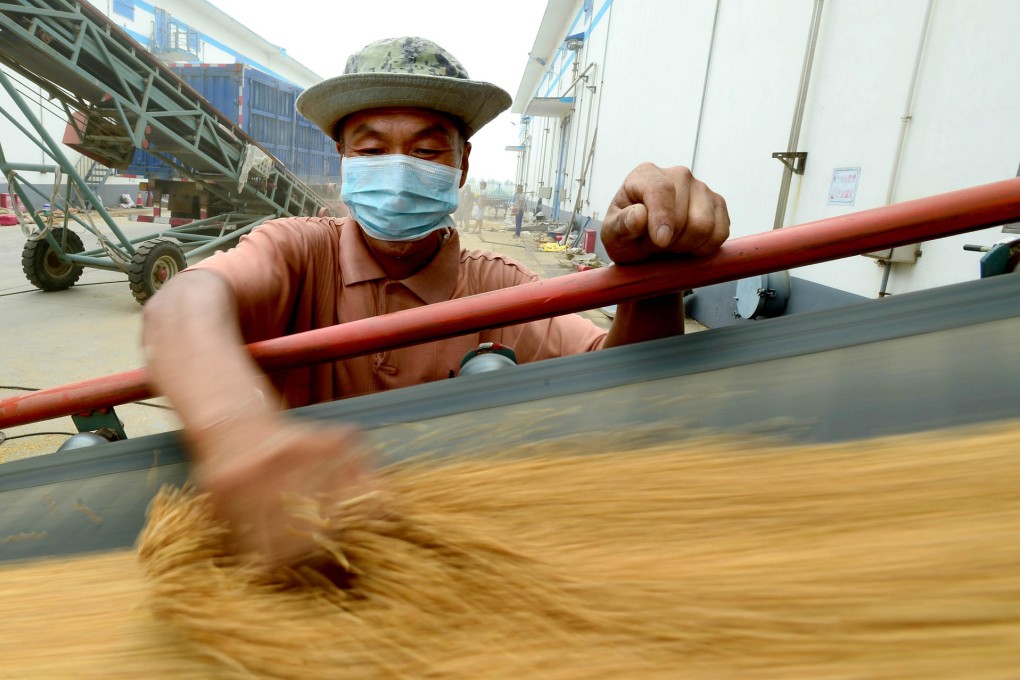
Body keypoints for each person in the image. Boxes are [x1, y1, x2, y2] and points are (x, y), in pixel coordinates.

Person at [142, 36, 729, 570]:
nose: (397, 173)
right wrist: (242, 438)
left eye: (425, 152)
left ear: (463, 164)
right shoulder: (298, 253)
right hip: (294, 553)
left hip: (445, 565)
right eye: (372, 152)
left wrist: (652, 276)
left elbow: (625, 389)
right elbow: (183, 304)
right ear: (341, 160)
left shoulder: (501, 291)